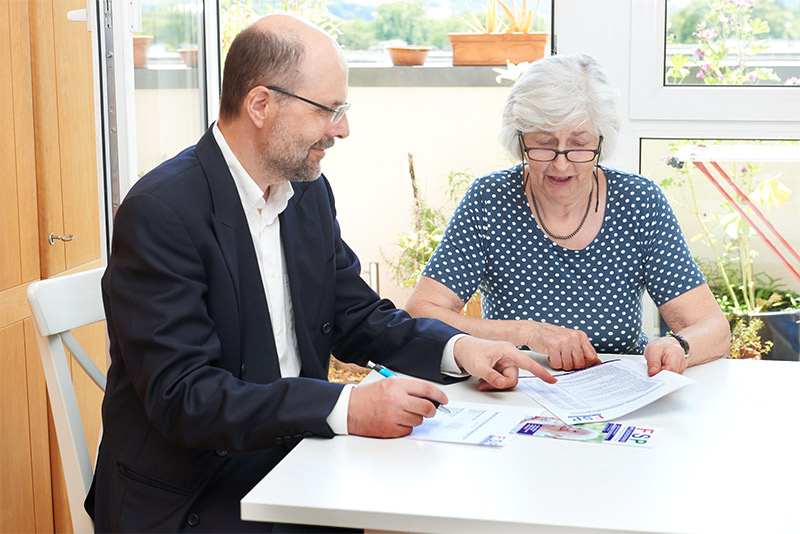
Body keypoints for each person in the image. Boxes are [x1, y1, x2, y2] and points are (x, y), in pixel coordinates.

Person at [87, 14, 556, 533]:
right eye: (329, 110)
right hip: (197, 494)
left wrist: (457, 349)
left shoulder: (306, 192)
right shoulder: (161, 210)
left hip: (298, 461)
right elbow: (186, 398)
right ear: (261, 105)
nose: (343, 129)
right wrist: (347, 406)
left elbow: (356, 315)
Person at [406, 53, 730, 378]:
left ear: (601, 142)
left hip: (620, 391)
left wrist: (679, 346)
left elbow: (713, 328)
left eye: (579, 144)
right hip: (514, 390)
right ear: (520, 142)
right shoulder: (490, 201)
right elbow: (421, 313)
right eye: (545, 144)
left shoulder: (639, 203)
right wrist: (525, 333)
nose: (561, 164)